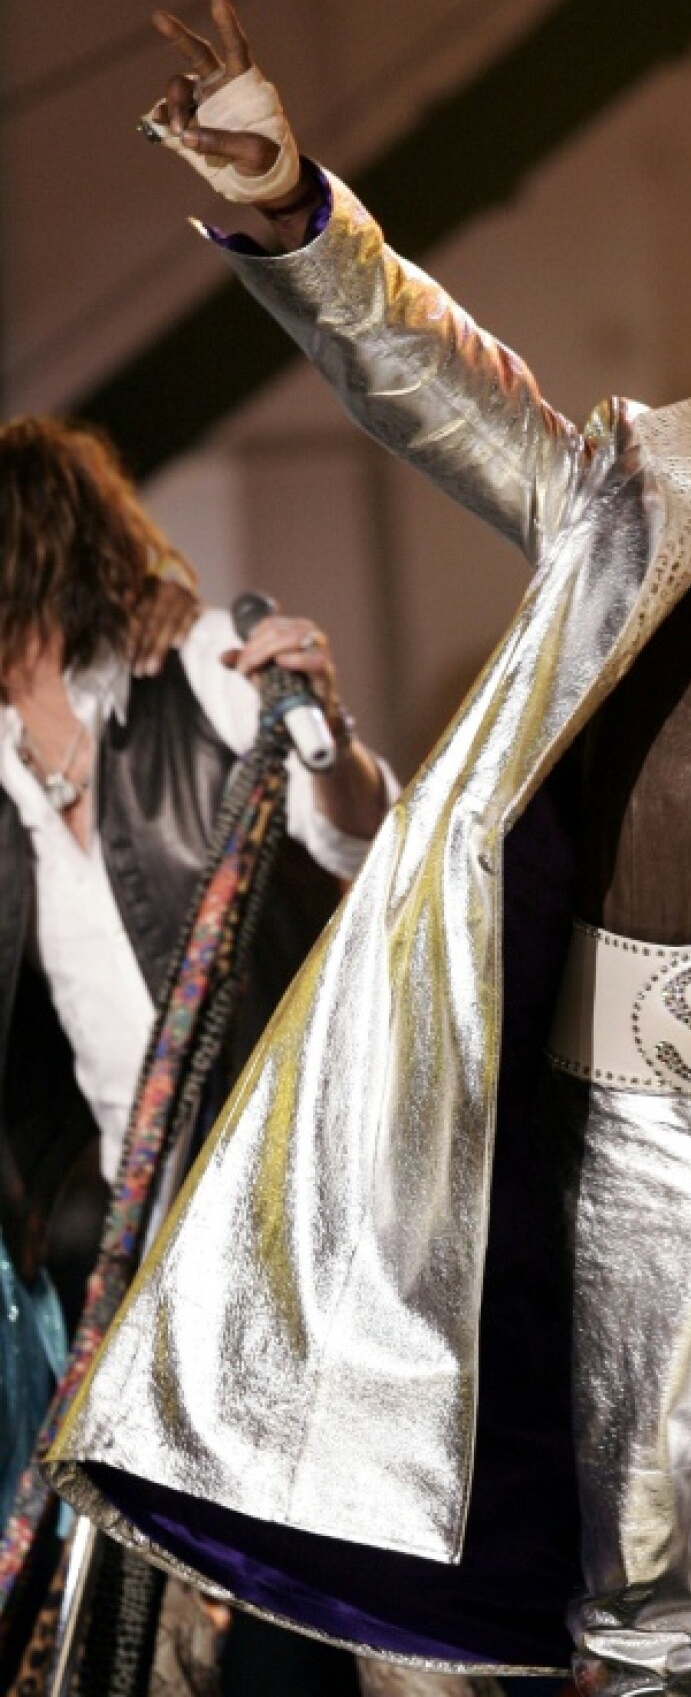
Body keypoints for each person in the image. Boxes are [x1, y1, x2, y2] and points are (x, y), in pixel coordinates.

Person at [47, 0, 691, 1697]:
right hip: (635, 1119)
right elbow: (438, 379)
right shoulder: (640, 506)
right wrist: (295, 212)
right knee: (629, 1591)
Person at [0, 413, 396, 1692]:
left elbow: (359, 837)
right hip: (136, 1270)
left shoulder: (203, 675)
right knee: (167, 1642)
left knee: (366, 1610)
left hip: (303, 1217)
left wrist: (322, 721)